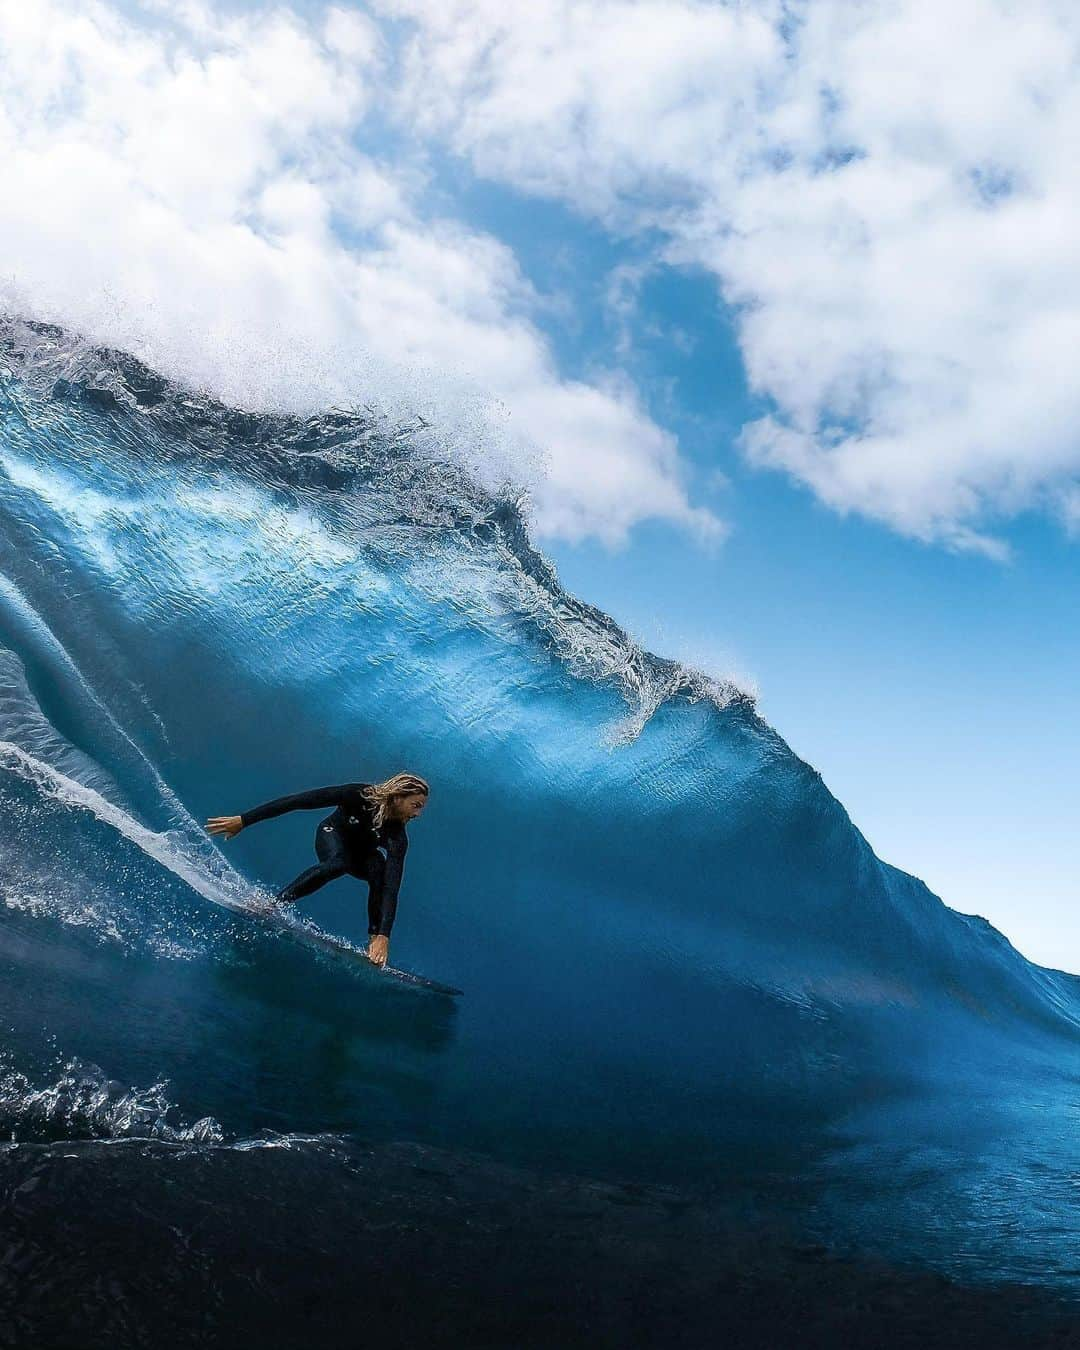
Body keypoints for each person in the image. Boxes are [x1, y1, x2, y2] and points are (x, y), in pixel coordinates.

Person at [206, 772, 429, 967]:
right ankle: (271, 905)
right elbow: (298, 801)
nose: (418, 814)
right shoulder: (359, 795)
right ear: (398, 796)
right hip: (333, 835)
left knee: (379, 869)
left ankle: (373, 940)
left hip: (361, 854)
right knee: (338, 863)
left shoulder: (397, 836)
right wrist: (244, 820)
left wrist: (384, 935)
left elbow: (392, 887)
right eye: (416, 805)